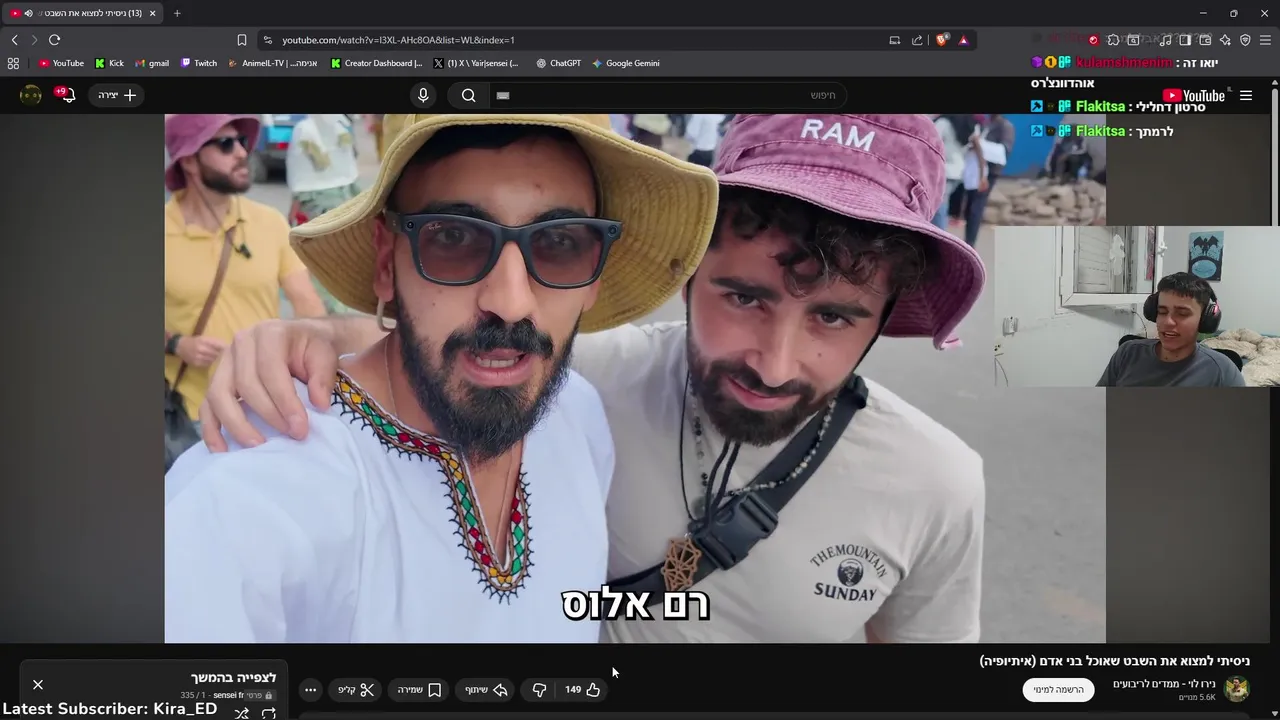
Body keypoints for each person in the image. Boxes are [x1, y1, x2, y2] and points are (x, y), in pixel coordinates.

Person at [199, 114, 988, 643]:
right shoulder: (589, 385)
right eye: (744, 298)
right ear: (687, 273)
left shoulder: (937, 484)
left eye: (836, 318)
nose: (774, 364)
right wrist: (314, 336)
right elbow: (462, 342)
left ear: (886, 315)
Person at [164, 113, 721, 642]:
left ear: (595, 274)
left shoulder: (579, 415)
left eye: (560, 243)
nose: (510, 302)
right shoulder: (245, 502)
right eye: (453, 238)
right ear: (387, 261)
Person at [164, 114, 327, 428]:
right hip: (189, 414)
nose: (242, 152)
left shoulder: (270, 222)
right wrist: (177, 345)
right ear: (190, 161)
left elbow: (307, 303)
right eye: (226, 144)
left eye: (241, 141)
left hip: (265, 410)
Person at [1097, 273, 1246, 387]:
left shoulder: (1223, 372)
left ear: (1204, 320)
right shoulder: (1127, 353)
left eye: (1182, 314)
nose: (1168, 322)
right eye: (1162, 312)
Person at [286, 114, 363, 313]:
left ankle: (327, 309)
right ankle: (342, 307)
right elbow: (349, 169)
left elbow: (301, 174)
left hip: (317, 205)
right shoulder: (340, 126)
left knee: (318, 260)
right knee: (340, 256)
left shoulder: (305, 130)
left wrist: (293, 209)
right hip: (343, 203)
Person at [931, 114, 972, 230]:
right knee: (943, 203)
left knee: (939, 205)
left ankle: (939, 234)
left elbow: (932, 141)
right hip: (958, 170)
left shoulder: (944, 123)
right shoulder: (968, 125)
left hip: (945, 169)